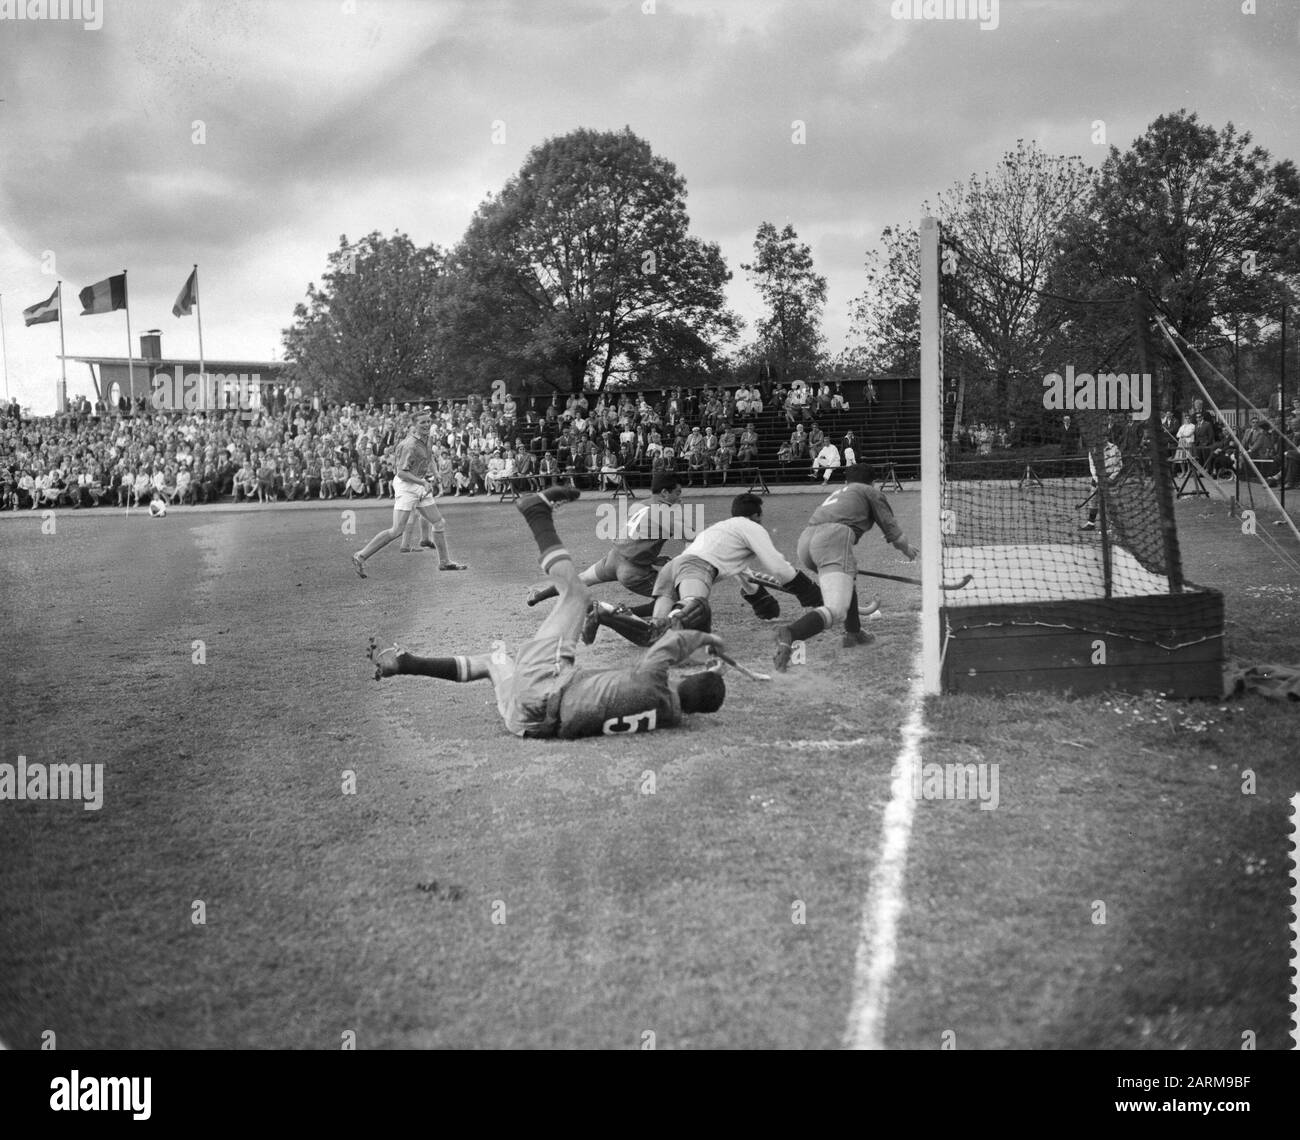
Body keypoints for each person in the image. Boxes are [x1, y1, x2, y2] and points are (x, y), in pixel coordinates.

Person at [368, 485, 727, 738]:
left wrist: (709, 638)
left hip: (549, 693)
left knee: (576, 594)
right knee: (495, 661)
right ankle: (408, 663)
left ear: (685, 681)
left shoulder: (657, 684)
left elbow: (665, 651)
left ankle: (537, 514)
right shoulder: (672, 717)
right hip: (526, 722)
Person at [587, 493, 820, 647]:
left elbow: (742, 572)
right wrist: (810, 592)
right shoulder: (751, 527)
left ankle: (606, 611)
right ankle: (606, 612)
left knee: (655, 635)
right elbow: (779, 567)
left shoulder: (720, 530)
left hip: (673, 568)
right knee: (691, 612)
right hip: (696, 568)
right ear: (757, 515)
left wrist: (760, 601)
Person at [773, 464, 919, 670]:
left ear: (846, 482)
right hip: (832, 538)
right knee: (836, 609)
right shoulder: (870, 491)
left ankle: (853, 632)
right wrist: (907, 550)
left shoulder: (840, 492)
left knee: (848, 579)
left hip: (805, 541)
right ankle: (791, 632)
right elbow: (895, 536)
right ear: (872, 481)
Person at [526, 471, 689, 617]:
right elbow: (690, 538)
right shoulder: (667, 512)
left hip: (614, 558)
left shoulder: (641, 504)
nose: (680, 498)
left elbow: (636, 538)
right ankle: (617, 614)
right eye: (677, 492)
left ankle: (538, 596)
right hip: (633, 571)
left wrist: (652, 558)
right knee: (674, 598)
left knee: (581, 578)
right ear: (665, 493)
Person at [351, 408, 467, 576]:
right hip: (406, 486)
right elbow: (401, 473)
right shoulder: (409, 445)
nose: (427, 424)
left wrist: (435, 474)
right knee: (396, 531)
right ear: (414, 425)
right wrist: (422, 481)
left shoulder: (427, 438)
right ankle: (360, 556)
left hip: (419, 484)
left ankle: (444, 562)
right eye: (422, 422)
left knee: (439, 523)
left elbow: (430, 457)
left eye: (428, 421)